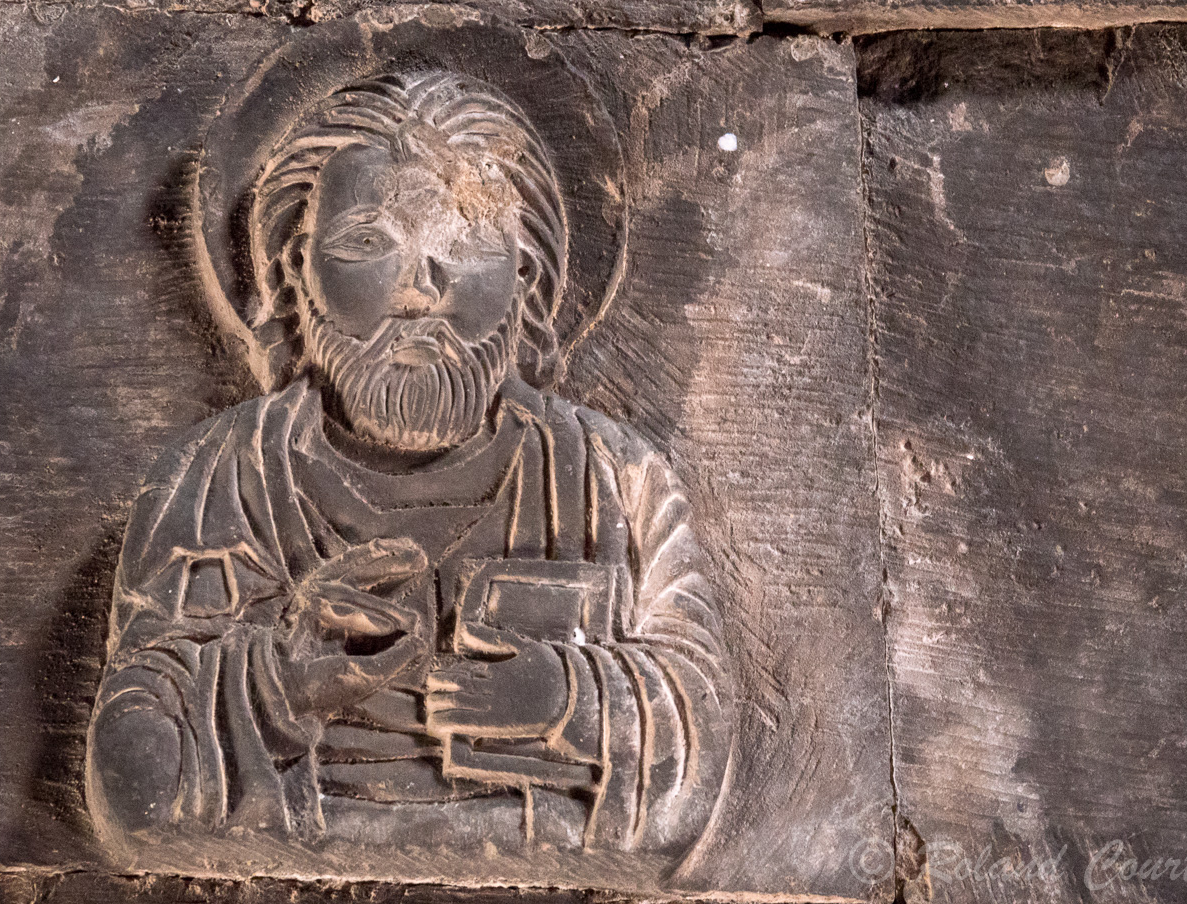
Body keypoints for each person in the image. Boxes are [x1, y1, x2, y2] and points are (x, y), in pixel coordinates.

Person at [86, 71, 731, 859]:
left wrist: (567, 697)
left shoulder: (611, 477)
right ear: (294, 271)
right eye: (367, 243)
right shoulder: (218, 474)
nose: (420, 292)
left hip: (544, 847)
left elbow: (694, 712)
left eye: (464, 246)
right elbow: (132, 769)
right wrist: (278, 682)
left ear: (525, 278)